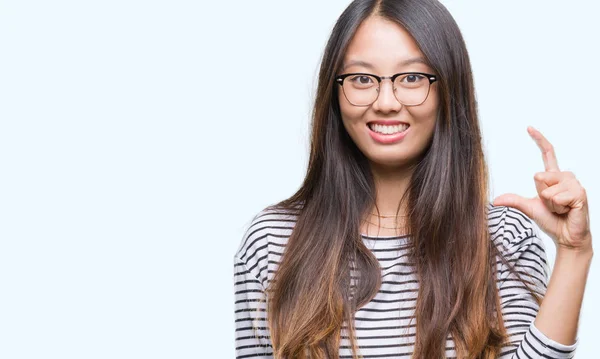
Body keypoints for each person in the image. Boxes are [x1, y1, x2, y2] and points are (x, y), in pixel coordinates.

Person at [232, 0, 593, 358]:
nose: (386, 101)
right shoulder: (272, 243)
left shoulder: (502, 237)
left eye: (412, 78)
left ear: (448, 90)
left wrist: (575, 253)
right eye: (361, 78)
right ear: (335, 92)